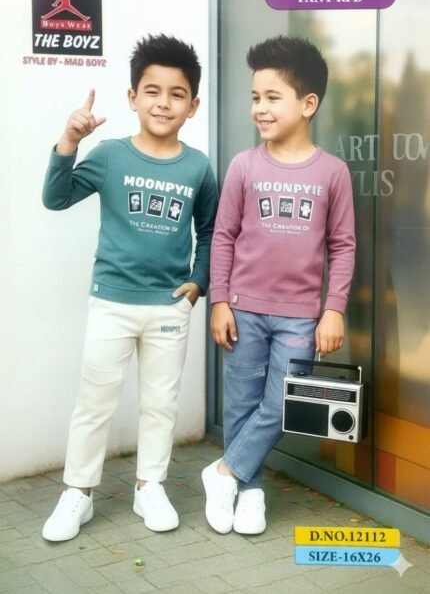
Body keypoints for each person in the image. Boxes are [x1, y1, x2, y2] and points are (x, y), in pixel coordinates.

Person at [41, 34, 218, 541]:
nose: (163, 103)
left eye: (176, 94)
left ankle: (150, 486)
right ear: (132, 97)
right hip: (112, 303)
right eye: (152, 91)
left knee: (160, 403)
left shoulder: (198, 166)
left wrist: (198, 282)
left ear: (193, 105)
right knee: (94, 401)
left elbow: (209, 230)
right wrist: (69, 140)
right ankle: (77, 493)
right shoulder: (110, 155)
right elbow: (56, 197)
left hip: (169, 307)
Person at [202, 36, 356, 535]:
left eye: (272, 97)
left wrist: (333, 309)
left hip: (300, 316)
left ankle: (223, 472)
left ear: (308, 103)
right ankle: (249, 492)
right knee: (241, 404)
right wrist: (220, 300)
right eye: (255, 98)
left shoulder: (332, 172)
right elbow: (223, 236)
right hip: (243, 309)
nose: (260, 109)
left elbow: (343, 246)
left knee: (282, 403)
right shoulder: (244, 166)